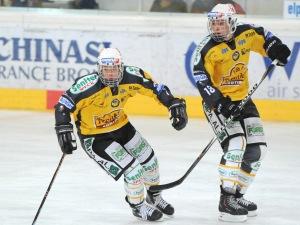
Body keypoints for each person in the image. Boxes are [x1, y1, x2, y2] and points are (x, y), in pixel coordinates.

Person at [54, 48, 188, 221]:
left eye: (114, 69)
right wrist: (63, 128)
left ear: (121, 67)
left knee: (150, 161)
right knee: (134, 172)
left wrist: (172, 103)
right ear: (99, 69)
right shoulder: (86, 86)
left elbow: (156, 88)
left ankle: (154, 197)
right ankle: (138, 207)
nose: (110, 74)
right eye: (106, 70)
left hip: (122, 127)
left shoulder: (132, 76)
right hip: (95, 137)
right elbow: (63, 105)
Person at [192, 3, 290, 222]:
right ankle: (225, 201)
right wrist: (221, 104)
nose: (216, 28)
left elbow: (265, 37)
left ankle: (237, 195)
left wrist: (276, 48)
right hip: (218, 105)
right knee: (236, 145)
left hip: (244, 101)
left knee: (257, 151)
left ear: (232, 22)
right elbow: (201, 79)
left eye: (221, 24)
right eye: (213, 24)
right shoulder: (206, 49)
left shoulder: (246, 33)